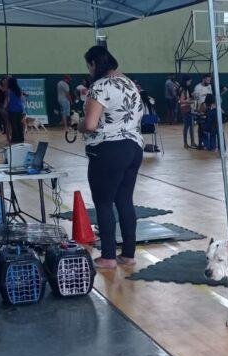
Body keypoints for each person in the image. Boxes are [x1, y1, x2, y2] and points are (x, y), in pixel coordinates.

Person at [79, 45, 143, 270]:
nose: (88, 71)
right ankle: (128, 254)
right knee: (125, 200)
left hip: (109, 150)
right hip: (134, 148)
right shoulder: (129, 84)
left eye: (89, 66)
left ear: (95, 64)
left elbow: (90, 124)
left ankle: (108, 256)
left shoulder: (99, 86)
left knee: (103, 202)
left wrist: (79, 124)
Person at [178, 76, 196, 148]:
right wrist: (190, 101)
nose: (190, 83)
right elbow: (181, 101)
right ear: (186, 81)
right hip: (185, 109)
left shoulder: (186, 89)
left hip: (189, 108)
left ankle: (192, 142)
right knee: (186, 126)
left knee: (191, 126)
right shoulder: (183, 90)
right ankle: (185, 143)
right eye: (189, 81)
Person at [6, 77, 25, 143]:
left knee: (13, 125)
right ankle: (21, 138)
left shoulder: (9, 90)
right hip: (19, 108)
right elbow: (22, 99)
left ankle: (15, 139)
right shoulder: (19, 89)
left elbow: (7, 100)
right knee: (19, 124)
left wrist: (4, 106)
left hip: (12, 109)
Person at [0, 77, 11, 144]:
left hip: (10, 106)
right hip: (1, 106)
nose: (5, 81)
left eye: (6, 80)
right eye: (4, 80)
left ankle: (11, 136)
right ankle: (8, 137)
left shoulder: (9, 88)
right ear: (2, 81)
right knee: (6, 122)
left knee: (10, 122)